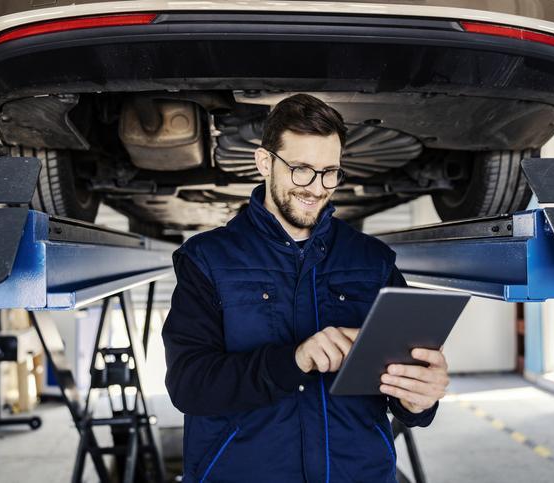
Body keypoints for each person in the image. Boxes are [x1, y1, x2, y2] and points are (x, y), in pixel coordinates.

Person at [162, 94, 449, 482]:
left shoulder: (372, 260)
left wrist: (420, 398)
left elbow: (402, 380)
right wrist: (293, 360)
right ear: (265, 162)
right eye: (301, 169)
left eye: (330, 171)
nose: (316, 187)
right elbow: (189, 385)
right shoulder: (208, 259)